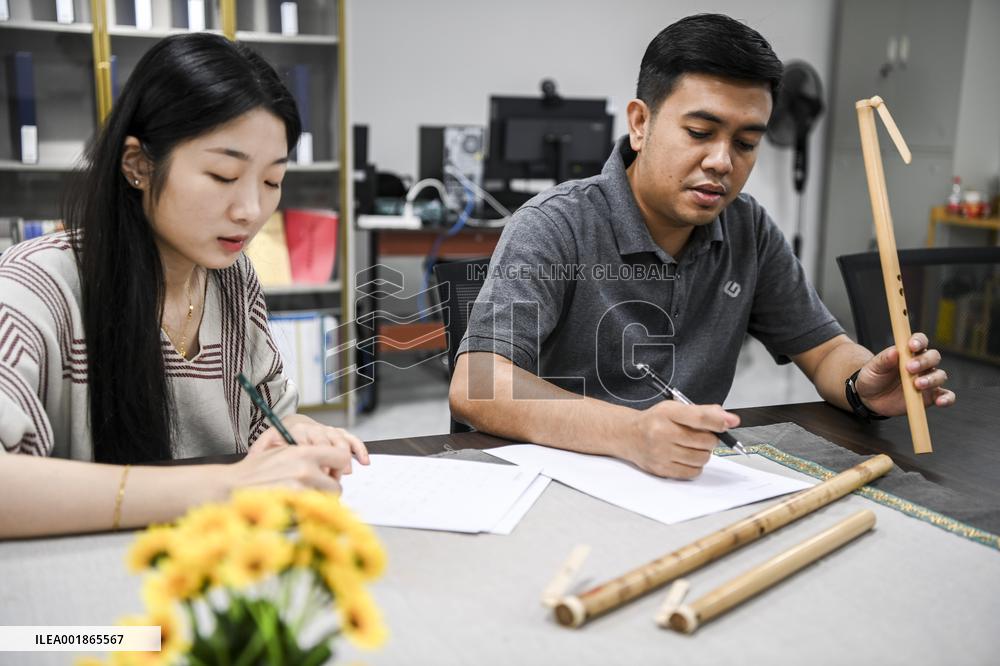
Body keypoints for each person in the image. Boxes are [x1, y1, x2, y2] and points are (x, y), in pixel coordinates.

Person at [449, 14, 954, 480]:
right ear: (640, 123)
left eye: (746, 143)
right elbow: (479, 384)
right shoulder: (554, 224)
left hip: (684, 483)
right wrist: (630, 432)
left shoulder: (747, 228)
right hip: (555, 481)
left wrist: (860, 384)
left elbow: (825, 352)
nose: (722, 161)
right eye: (699, 132)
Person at [0, 33, 367, 539]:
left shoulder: (233, 280)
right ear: (138, 165)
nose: (251, 211)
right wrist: (224, 487)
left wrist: (301, 435)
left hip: (208, 557)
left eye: (271, 181)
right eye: (223, 175)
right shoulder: (34, 288)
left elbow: (267, 421)